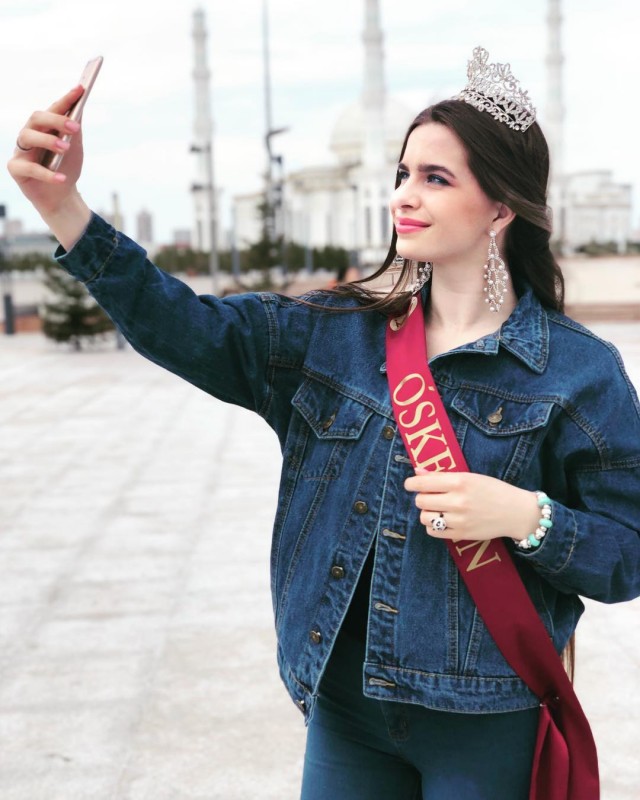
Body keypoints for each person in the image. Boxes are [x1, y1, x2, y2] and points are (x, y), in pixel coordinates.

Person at [8, 46, 640, 800]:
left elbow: (628, 552)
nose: (403, 196)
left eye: (435, 178)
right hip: (345, 710)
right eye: (402, 174)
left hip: (485, 717)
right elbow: (186, 326)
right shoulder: (334, 333)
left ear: (501, 207)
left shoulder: (578, 372)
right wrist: (64, 208)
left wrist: (528, 518)